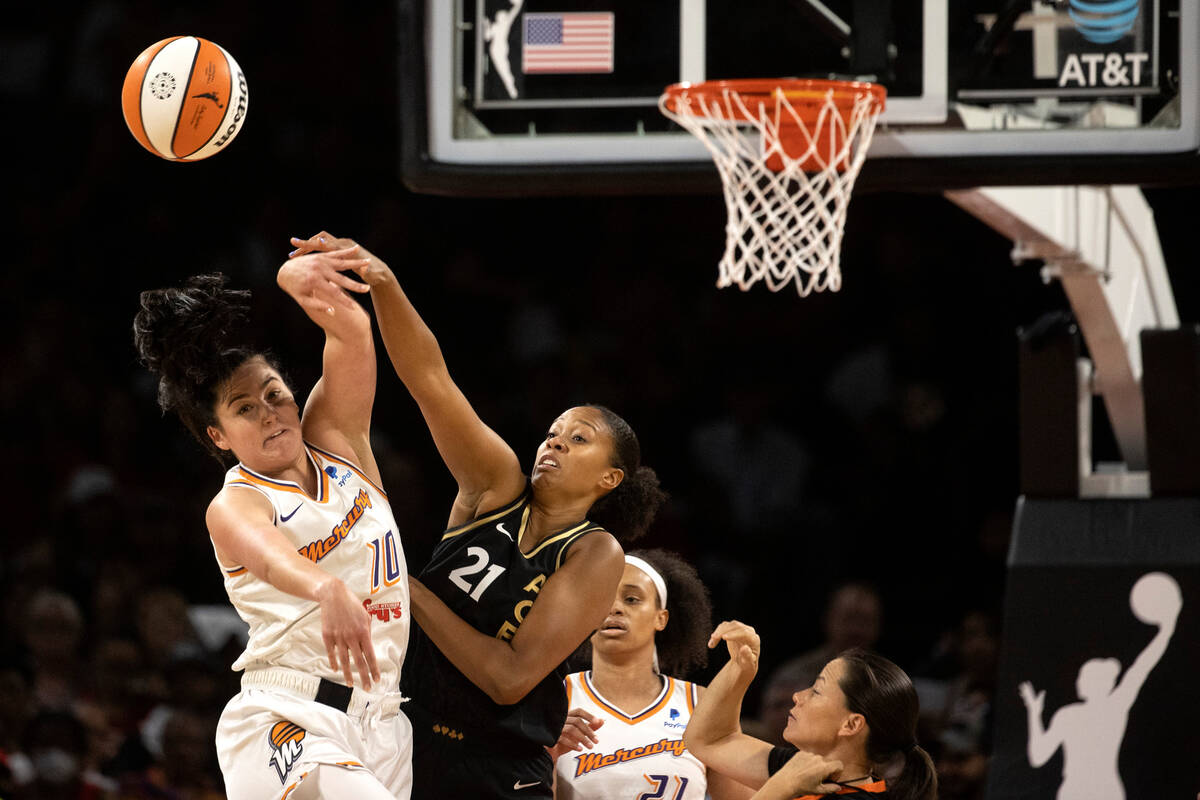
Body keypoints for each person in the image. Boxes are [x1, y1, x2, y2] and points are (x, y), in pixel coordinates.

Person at [286, 232, 667, 799]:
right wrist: (383, 282)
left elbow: (508, 677)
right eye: (552, 433)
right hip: (399, 734)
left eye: (578, 439)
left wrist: (405, 586)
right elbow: (431, 381)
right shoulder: (496, 486)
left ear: (609, 478)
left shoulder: (595, 552)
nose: (553, 444)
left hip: (495, 765)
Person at [132, 248, 412, 800]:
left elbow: (352, 333)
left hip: (384, 722)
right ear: (218, 436)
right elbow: (268, 555)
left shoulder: (339, 444)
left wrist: (293, 280)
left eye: (274, 394)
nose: (268, 412)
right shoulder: (235, 502)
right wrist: (324, 586)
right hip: (288, 715)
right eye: (243, 408)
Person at [550, 549, 753, 800]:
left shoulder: (700, 703)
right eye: (601, 598)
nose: (614, 608)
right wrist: (548, 754)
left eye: (632, 599)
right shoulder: (556, 699)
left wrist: (739, 679)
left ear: (661, 618)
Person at [684, 621, 937, 800]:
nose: (797, 696)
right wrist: (740, 670)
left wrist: (781, 788)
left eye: (816, 690)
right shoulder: (801, 769)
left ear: (851, 725)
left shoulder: (804, 781)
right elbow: (710, 740)